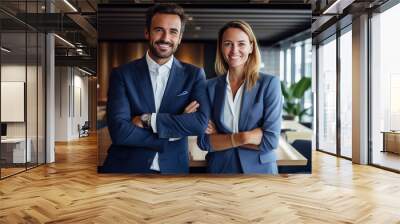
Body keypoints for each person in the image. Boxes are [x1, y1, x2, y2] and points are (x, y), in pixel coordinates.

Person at [101, 3, 208, 174]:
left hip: (173, 170)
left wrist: (146, 120)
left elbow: (199, 123)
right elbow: (120, 132)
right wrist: (174, 129)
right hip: (125, 169)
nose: (165, 37)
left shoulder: (194, 75)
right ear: (147, 32)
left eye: (173, 31)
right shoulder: (122, 74)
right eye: (159, 29)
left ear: (180, 37)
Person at [197, 20, 282, 174]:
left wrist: (222, 137)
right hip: (220, 170)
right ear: (221, 48)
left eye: (241, 44)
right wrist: (244, 137)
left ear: (251, 47)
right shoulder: (208, 87)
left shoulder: (269, 84)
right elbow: (204, 142)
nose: (234, 50)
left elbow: (270, 141)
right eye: (228, 44)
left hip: (260, 172)